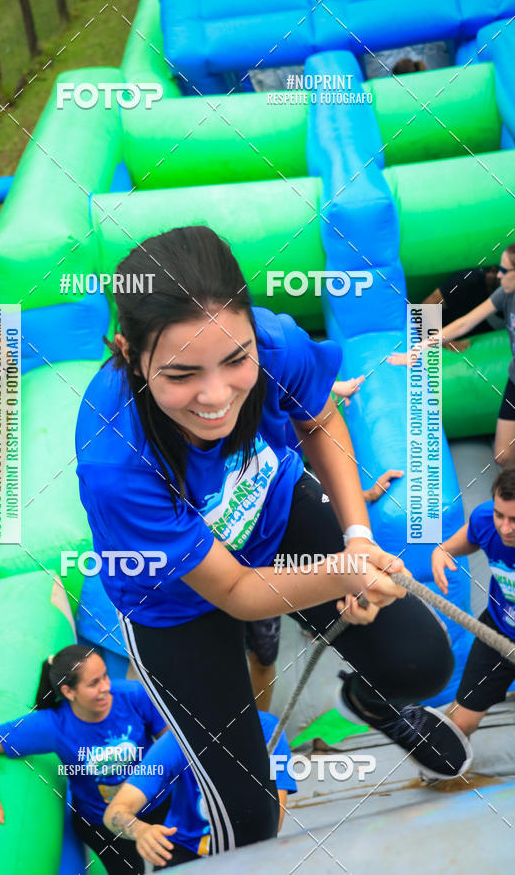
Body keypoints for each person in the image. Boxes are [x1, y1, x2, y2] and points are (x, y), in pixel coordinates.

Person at [75, 225, 470, 854]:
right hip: (176, 605)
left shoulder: (274, 341)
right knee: (250, 820)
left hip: (276, 517)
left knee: (423, 663)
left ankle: (369, 699)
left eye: (236, 360)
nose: (217, 396)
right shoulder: (115, 460)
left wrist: (357, 537)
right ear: (127, 352)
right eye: (182, 374)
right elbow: (231, 590)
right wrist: (342, 574)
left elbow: (320, 418)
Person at [0, 645, 167, 874]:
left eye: (105, 676)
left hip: (160, 804)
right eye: (93, 683)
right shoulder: (53, 725)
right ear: (68, 691)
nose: (106, 687)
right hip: (104, 825)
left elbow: (172, 745)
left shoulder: (132, 695)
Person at [246, 467, 404, 712]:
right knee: (255, 659)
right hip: (233, 574)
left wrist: (364, 496)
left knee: (264, 658)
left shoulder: (284, 459)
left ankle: (262, 726)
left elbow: (314, 486)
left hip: (272, 559)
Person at [103, 711, 296, 867]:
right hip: (185, 850)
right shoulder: (178, 740)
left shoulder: (268, 730)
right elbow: (115, 810)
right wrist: (141, 831)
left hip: (249, 846)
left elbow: (273, 821)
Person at [389, 244, 515, 467]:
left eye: (504, 271)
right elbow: (464, 323)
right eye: (498, 269)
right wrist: (420, 347)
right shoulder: (503, 293)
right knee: (502, 455)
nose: (498, 274)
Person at [432, 469, 515, 738]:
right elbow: (472, 536)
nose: (505, 528)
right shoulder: (485, 519)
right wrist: (442, 551)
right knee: (459, 724)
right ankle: (438, 771)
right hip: (498, 631)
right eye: (500, 515)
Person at [422, 265, 500, 349]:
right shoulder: (469, 280)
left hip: (475, 347)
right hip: (432, 339)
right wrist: (444, 340)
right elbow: (426, 306)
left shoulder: (507, 296)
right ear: (494, 270)